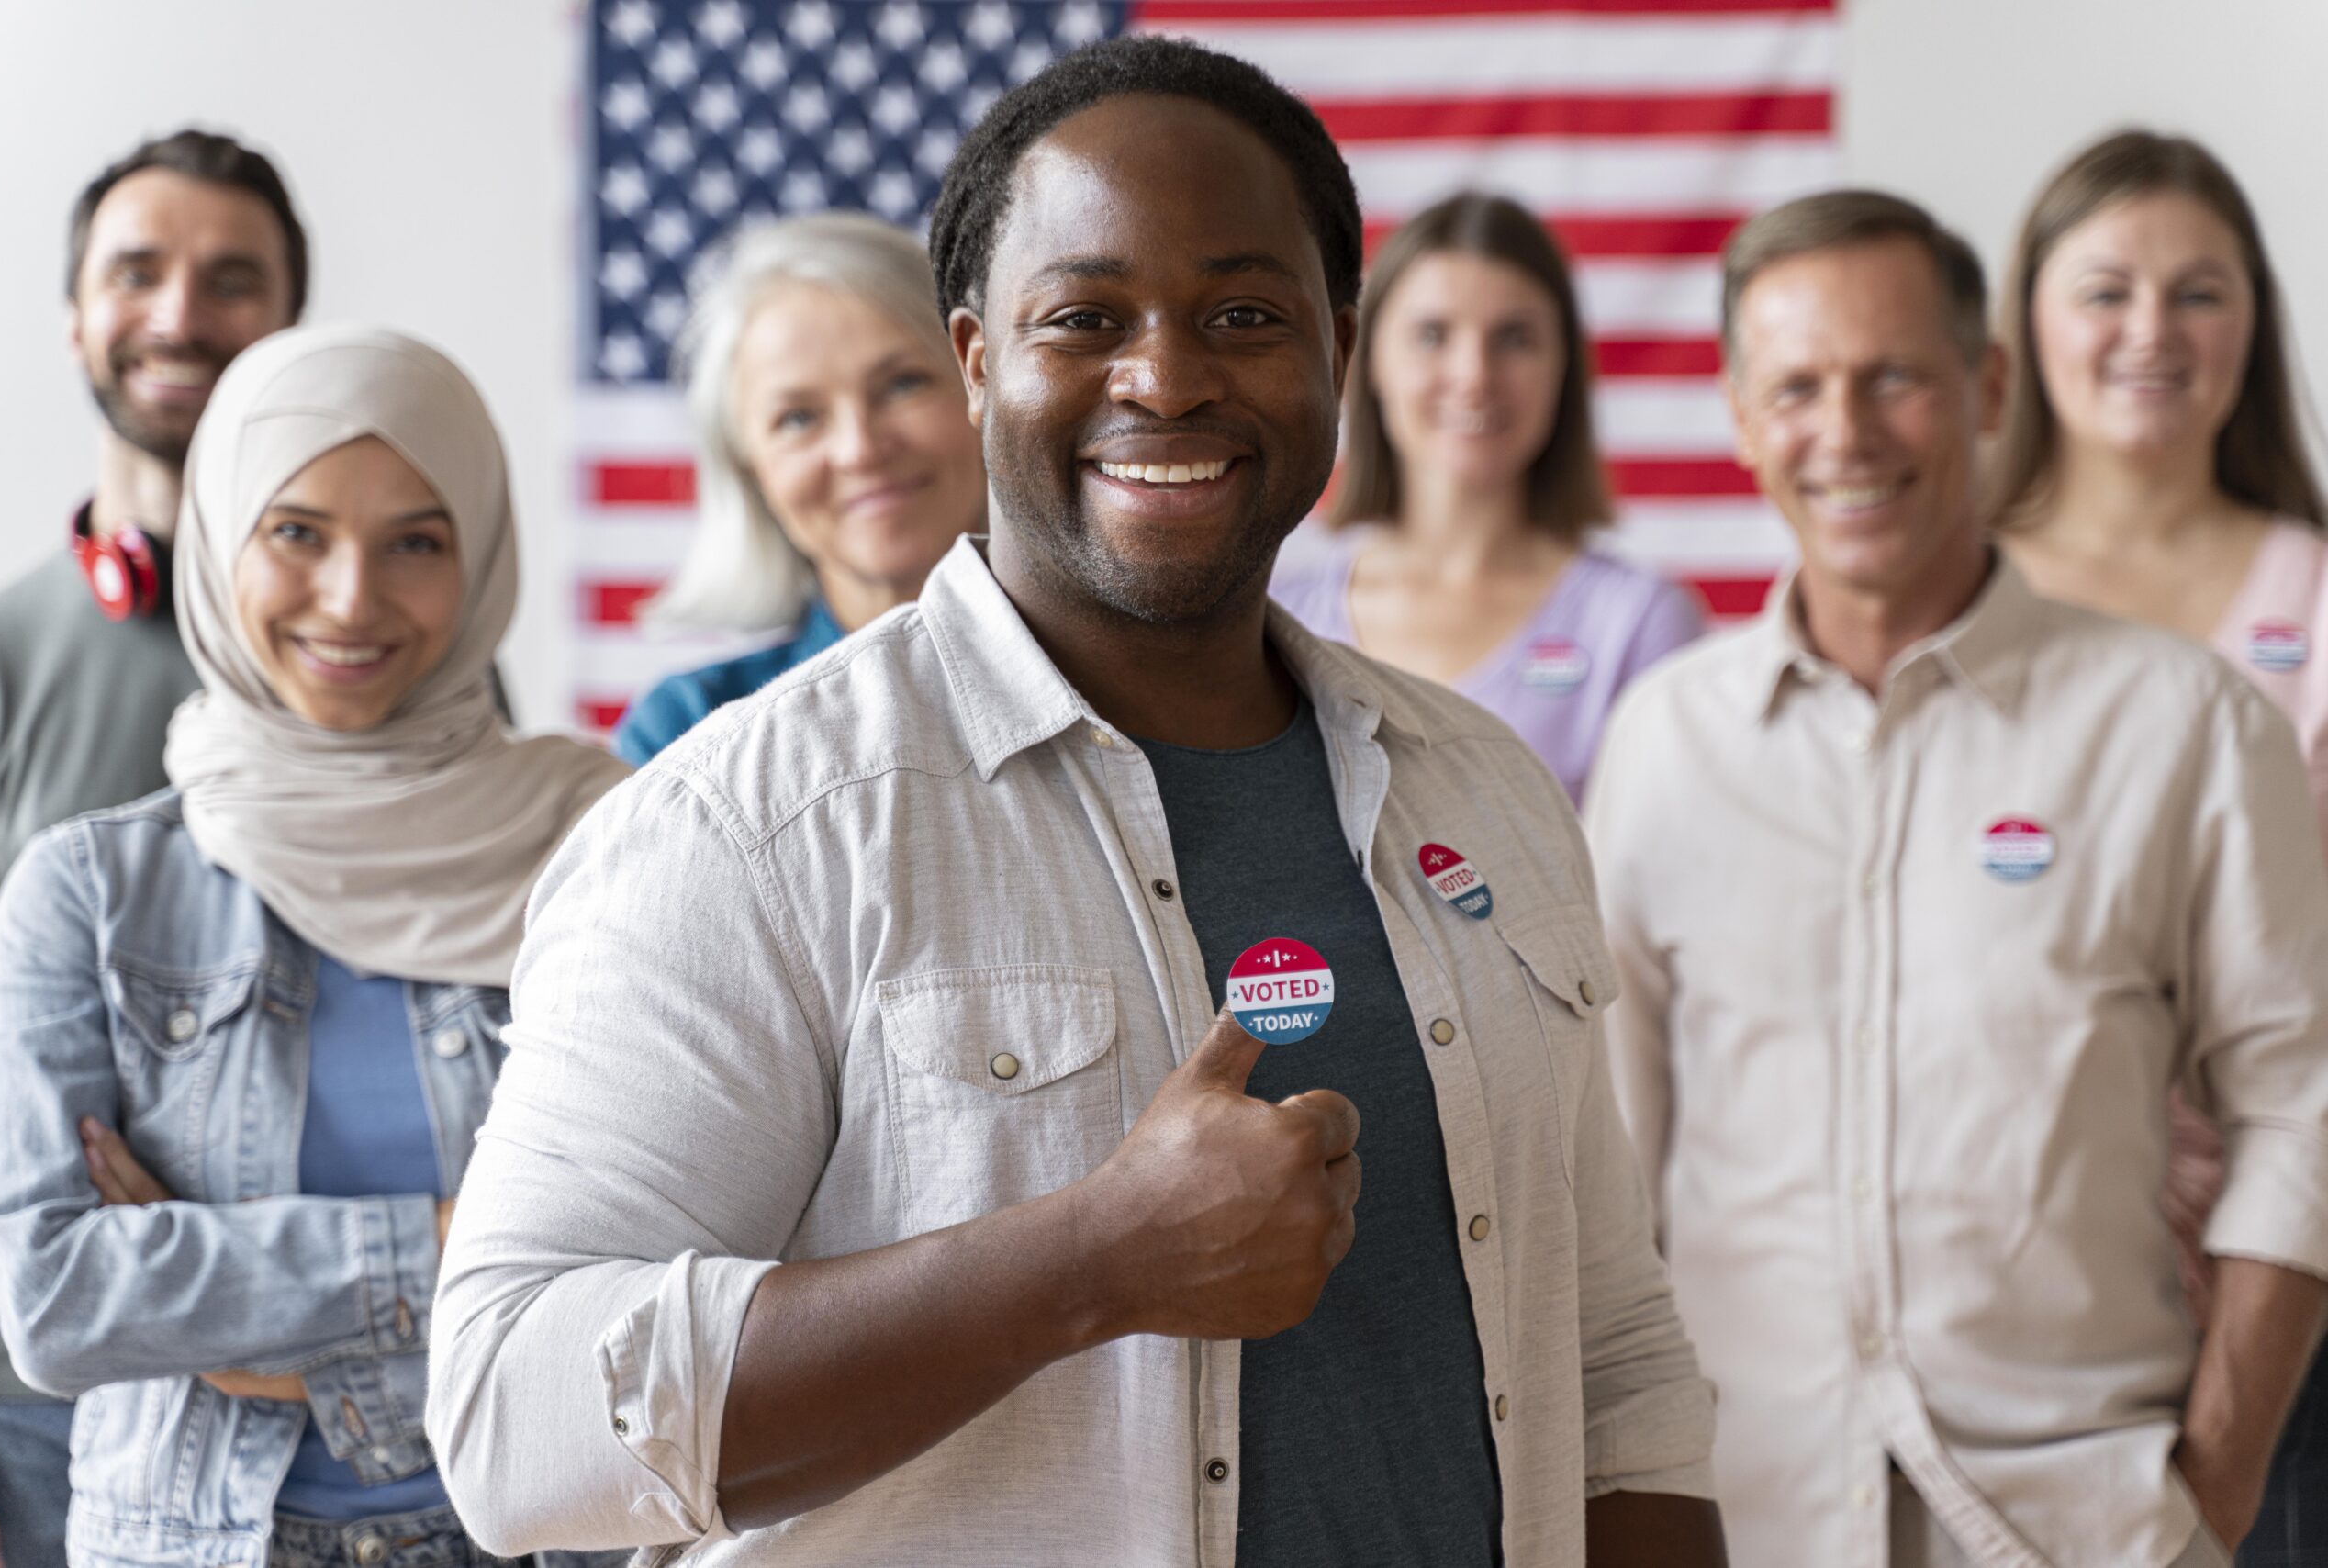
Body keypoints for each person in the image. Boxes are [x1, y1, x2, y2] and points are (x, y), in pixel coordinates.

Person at [429, 36, 1725, 1568]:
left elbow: (1618, 1364)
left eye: (1243, 314)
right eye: (1086, 318)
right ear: (979, 358)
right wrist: (1087, 1263)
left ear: (1337, 346)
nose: (1166, 377)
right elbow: (515, 1422)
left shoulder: (1485, 788)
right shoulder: (751, 821)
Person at [1588, 188, 2328, 1568]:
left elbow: (2303, 1111)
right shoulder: (1662, 744)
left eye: (1894, 379)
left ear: (1986, 386)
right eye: (1797, 388)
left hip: (2084, 1529)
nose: (1847, 433)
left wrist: (2215, 1494)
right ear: (1744, 422)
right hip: (1742, 1522)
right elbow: (1612, 1169)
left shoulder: (2183, 725)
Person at [0, 324, 628, 1568]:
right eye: (297, 532)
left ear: (482, 555)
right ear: (223, 539)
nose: (351, 597)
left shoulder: (608, 850)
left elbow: (665, 1258)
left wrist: (240, 1324)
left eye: (417, 543)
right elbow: (59, 1304)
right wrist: (448, 1251)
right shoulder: (91, 892)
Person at [1990, 129, 2328, 1568]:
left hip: (2285, 1287)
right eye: (2107, 289)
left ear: (2254, 324)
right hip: (1998, 1276)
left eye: (2201, 292)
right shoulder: (1939, 593)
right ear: (2027, 323)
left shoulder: (2313, 589)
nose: (2152, 331)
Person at [0, 127, 306, 1568]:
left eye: (231, 279)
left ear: (290, 327)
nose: (181, 314)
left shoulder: (395, 651)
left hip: (332, 1376)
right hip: (36, 1406)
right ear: (75, 317)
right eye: (139, 272)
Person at [1270, 192, 1701, 805]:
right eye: (1432, 334)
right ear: (1366, 362)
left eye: (1515, 338)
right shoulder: (1278, 623)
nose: (1474, 374)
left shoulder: (1637, 625)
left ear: (1564, 369)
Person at [612, 212, 988, 763]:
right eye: (797, 418)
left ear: (982, 386)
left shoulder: (1121, 680)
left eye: (903, 384)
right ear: (748, 469)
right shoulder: (689, 732)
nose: (859, 449)